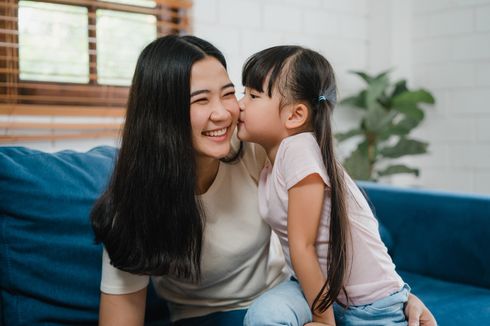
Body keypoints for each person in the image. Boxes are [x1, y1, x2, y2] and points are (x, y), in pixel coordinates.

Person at [90, 35, 436, 325]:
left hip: (291, 297)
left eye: (229, 93)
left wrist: (395, 295)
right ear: (161, 114)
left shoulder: (260, 149)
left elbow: (343, 222)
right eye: (201, 100)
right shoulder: (135, 202)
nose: (225, 111)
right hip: (212, 317)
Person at [237, 45, 437, 326]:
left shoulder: (299, 149)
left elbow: (302, 246)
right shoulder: (272, 156)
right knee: (263, 316)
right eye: (243, 92)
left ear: (295, 115)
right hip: (314, 290)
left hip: (370, 305)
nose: (240, 103)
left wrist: (323, 321)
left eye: (253, 95)